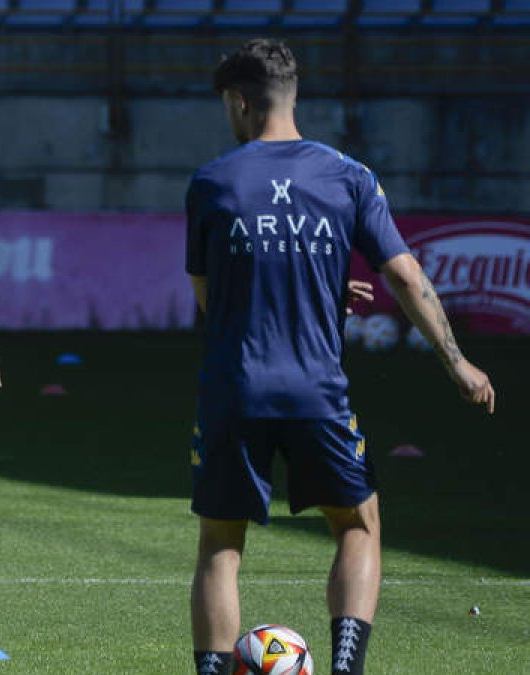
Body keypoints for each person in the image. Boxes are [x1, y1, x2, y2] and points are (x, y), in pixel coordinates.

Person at [184, 39, 495, 675]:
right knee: (357, 525)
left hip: (234, 388)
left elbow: (210, 303)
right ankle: (346, 668)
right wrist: (456, 361)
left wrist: (292, 285)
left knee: (220, 543)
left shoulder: (211, 181)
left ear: (240, 102)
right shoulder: (347, 176)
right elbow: (406, 275)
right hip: (314, 390)